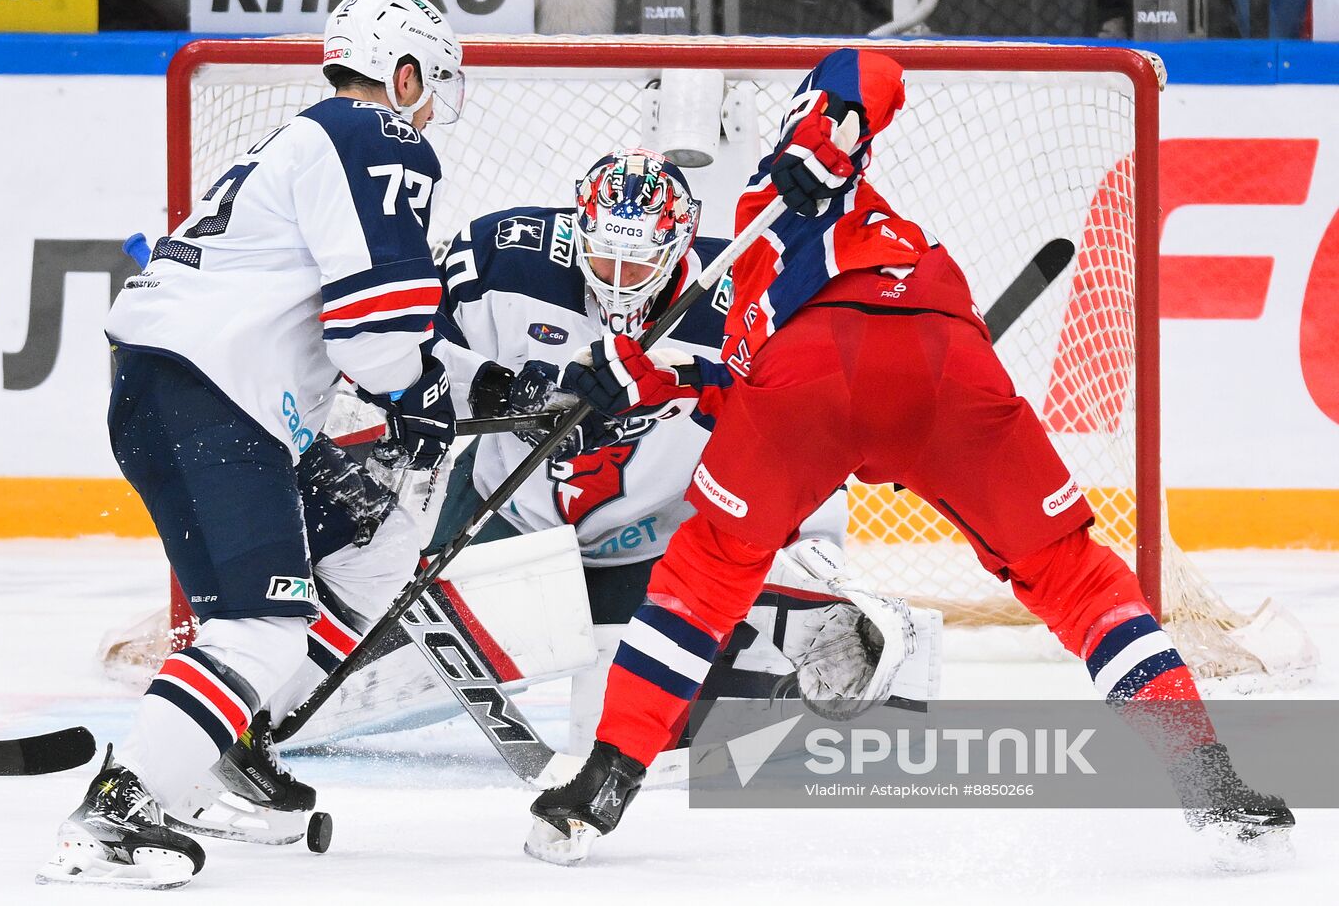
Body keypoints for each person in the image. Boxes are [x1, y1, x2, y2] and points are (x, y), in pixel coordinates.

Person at [528, 48, 1293, 864]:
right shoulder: (769, 257)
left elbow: (859, 74)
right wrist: (643, 380)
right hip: (940, 360)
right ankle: (1211, 779)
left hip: (809, 381)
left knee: (708, 572)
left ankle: (605, 778)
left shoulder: (766, 196)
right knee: (1075, 576)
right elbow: (729, 378)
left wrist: (813, 143)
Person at [37, 0, 464, 889]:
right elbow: (376, 333)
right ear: (403, 71)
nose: (434, 103)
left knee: (366, 531)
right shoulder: (379, 135)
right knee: (262, 626)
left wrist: (423, 383)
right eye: (431, 81)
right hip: (216, 398)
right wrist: (424, 392)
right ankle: (119, 809)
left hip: (163, 388)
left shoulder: (299, 138)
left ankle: (223, 748)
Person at [422, 148, 934, 752]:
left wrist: (814, 552)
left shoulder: (745, 300)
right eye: (603, 253)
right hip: (504, 513)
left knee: (637, 728)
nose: (615, 278)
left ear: (678, 247)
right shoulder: (500, 256)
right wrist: (501, 390)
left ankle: (779, 633)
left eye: (636, 263)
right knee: (417, 670)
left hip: (648, 546)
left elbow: (801, 436)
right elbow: (413, 358)